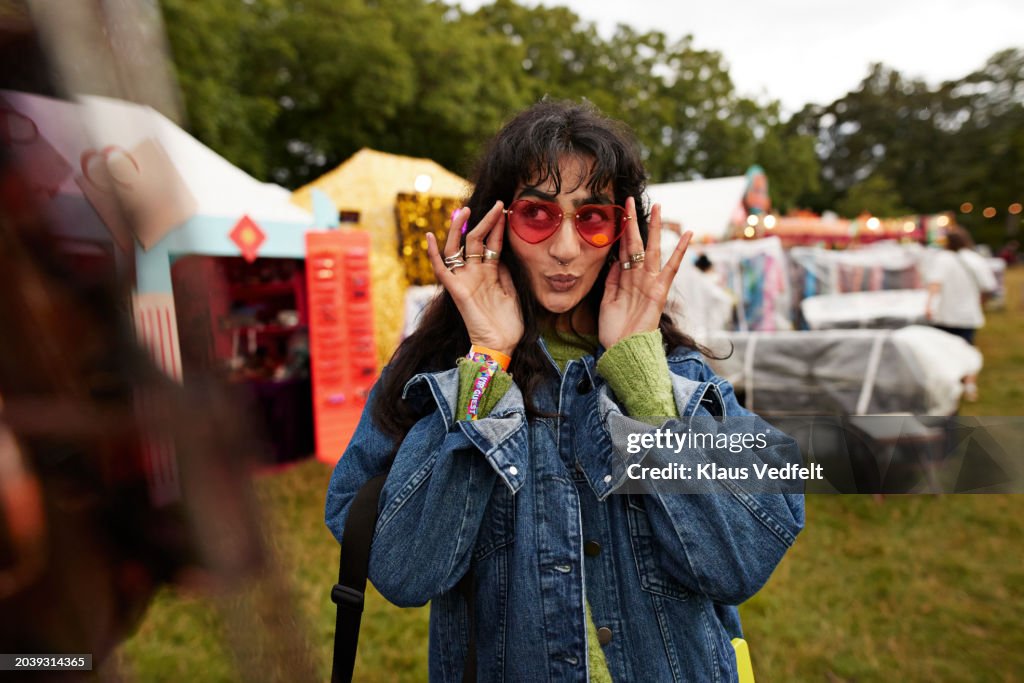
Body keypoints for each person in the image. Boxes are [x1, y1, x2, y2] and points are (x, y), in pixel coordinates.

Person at [325, 100, 804, 681]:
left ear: (624, 228)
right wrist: (487, 363)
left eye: (592, 217)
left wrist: (642, 377)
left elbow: (741, 560)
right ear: (494, 224)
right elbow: (403, 572)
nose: (566, 249)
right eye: (537, 215)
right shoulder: (434, 376)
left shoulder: (676, 371)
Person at [924, 226, 997, 402]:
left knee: (945, 352)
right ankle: (969, 386)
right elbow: (989, 286)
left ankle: (950, 386)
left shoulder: (942, 259)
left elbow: (935, 284)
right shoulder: (975, 259)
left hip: (944, 314)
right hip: (968, 315)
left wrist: (929, 306)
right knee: (968, 350)